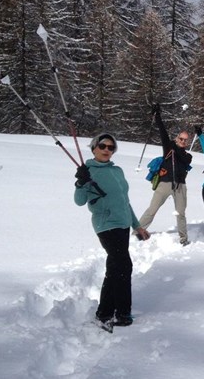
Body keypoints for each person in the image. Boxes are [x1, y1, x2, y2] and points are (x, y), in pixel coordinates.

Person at [74, 133, 150, 329]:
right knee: (124, 266)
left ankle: (104, 312)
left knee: (115, 268)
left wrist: (137, 225)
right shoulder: (88, 170)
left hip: (123, 224)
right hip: (106, 225)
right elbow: (79, 201)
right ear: (94, 148)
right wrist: (80, 182)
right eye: (103, 146)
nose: (107, 150)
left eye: (111, 147)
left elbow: (125, 201)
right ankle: (123, 313)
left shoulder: (117, 171)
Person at [139, 106, 193, 245]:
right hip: (164, 184)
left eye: (185, 140)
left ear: (187, 142)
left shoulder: (188, 156)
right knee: (152, 209)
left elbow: (183, 159)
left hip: (180, 186)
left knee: (180, 213)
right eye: (181, 138)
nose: (182, 141)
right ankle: (137, 232)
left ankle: (183, 239)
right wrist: (157, 116)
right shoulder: (169, 147)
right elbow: (162, 132)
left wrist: (176, 148)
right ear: (177, 138)